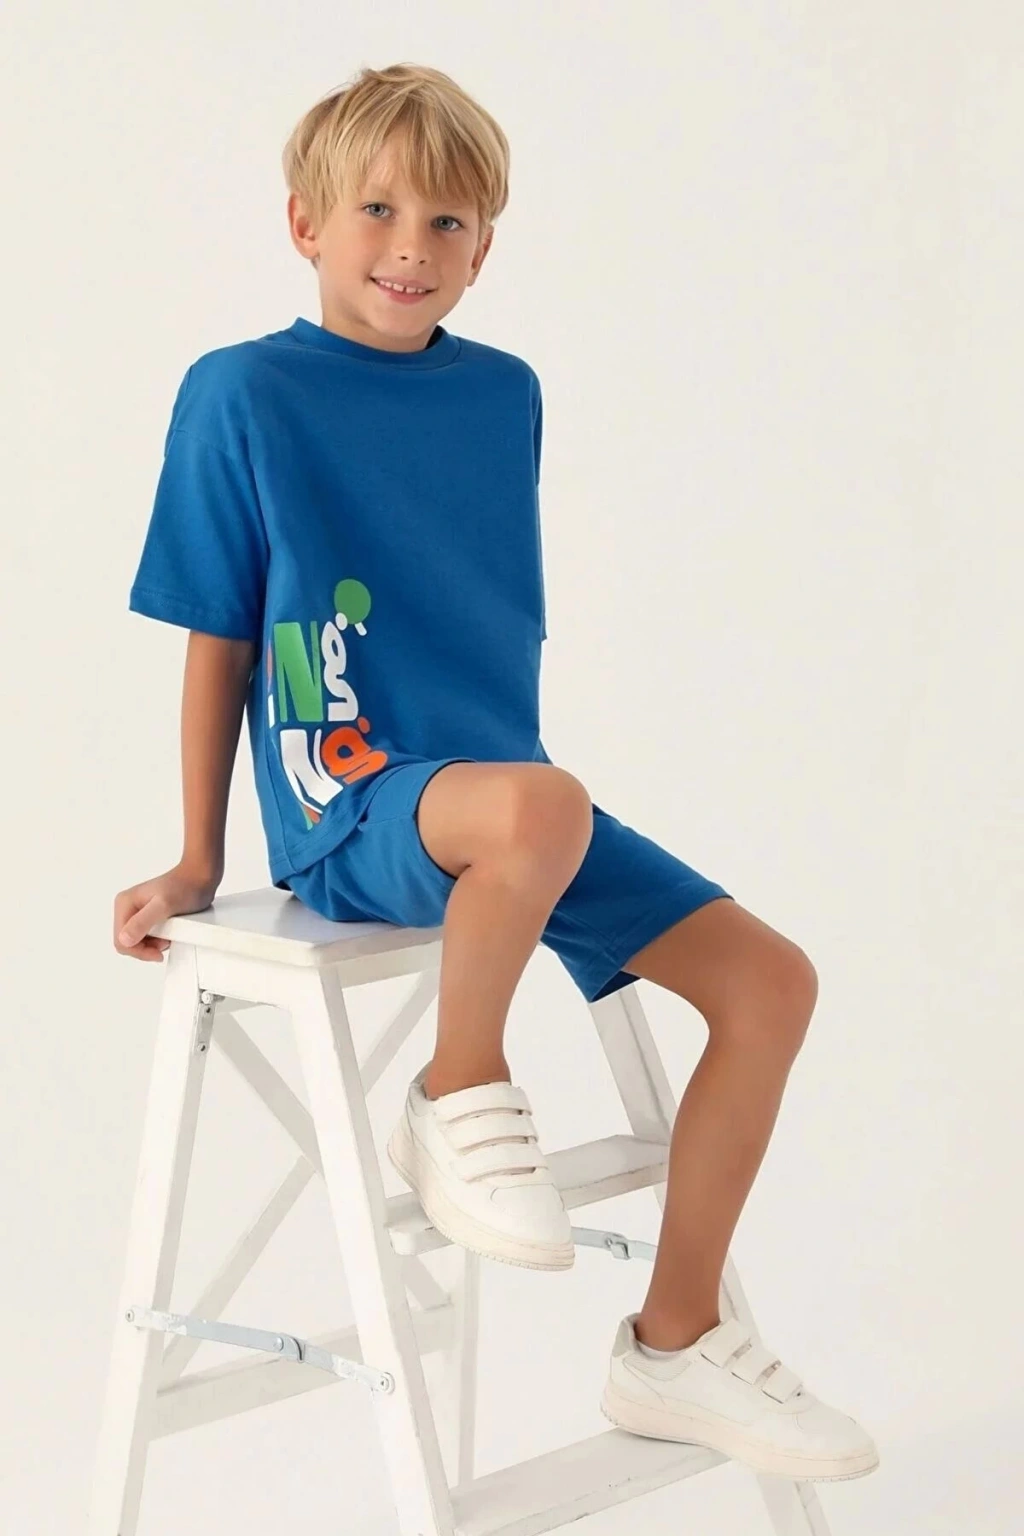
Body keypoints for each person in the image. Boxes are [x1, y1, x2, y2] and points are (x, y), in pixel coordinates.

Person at [113, 62, 878, 1481]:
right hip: (353, 804)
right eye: (378, 211)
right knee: (540, 805)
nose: (412, 247)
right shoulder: (241, 394)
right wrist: (199, 854)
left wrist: (517, 815)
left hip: (507, 806)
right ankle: (457, 1092)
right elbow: (220, 633)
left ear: (487, 244)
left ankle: (675, 1341)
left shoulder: (505, 393)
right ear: (305, 221)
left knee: (772, 983)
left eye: (450, 222)